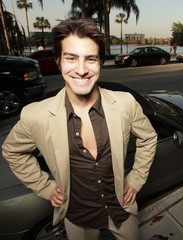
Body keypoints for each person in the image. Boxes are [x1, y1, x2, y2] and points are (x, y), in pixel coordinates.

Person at [2, 19, 157, 240]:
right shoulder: (35, 116)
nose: (82, 70)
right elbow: (12, 151)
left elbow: (149, 137)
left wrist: (136, 177)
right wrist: (43, 186)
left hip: (121, 209)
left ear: (101, 62)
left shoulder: (125, 103)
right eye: (71, 58)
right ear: (58, 61)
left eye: (91, 59)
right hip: (77, 217)